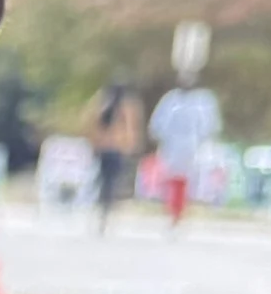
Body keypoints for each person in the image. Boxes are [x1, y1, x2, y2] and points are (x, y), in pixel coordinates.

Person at [149, 69, 222, 223]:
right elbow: (159, 123)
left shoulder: (202, 101)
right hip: (172, 145)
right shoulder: (171, 100)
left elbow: (209, 125)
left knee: (189, 179)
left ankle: (181, 209)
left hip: (193, 146)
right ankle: (172, 208)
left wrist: (203, 141)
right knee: (172, 177)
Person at [90, 78, 147, 225]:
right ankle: (107, 207)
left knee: (104, 179)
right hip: (117, 147)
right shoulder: (126, 106)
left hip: (103, 146)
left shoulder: (102, 103)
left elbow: (93, 122)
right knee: (113, 180)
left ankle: (102, 205)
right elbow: (130, 126)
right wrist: (132, 144)